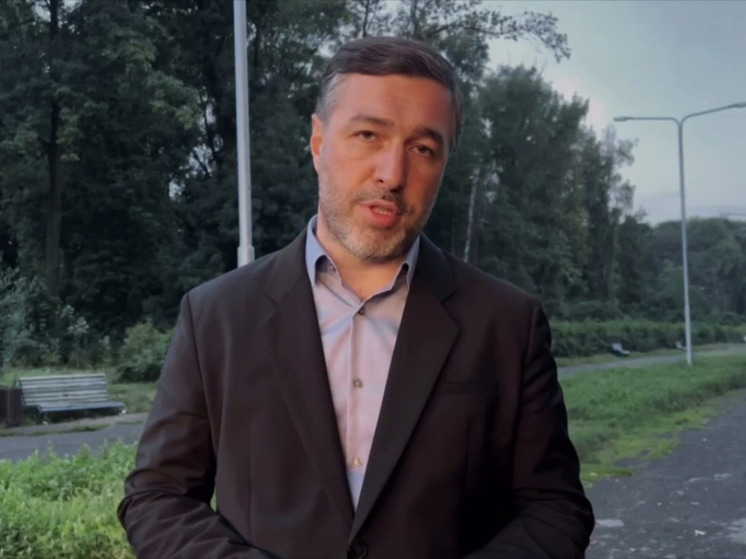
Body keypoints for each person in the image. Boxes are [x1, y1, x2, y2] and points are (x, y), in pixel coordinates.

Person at [118, 36, 594, 558]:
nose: (393, 173)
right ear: (318, 142)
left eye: (423, 148)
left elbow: (555, 508)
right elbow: (158, 496)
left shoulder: (506, 323)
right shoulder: (217, 316)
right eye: (369, 134)